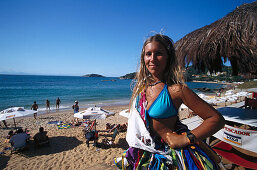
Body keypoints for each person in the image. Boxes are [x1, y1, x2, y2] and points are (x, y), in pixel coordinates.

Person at [115, 34, 225, 169]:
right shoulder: (141, 87)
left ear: (168, 57)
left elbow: (216, 119)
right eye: (148, 54)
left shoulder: (176, 90)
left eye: (159, 53)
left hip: (169, 156)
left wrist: (186, 139)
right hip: (143, 153)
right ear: (143, 58)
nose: (152, 59)